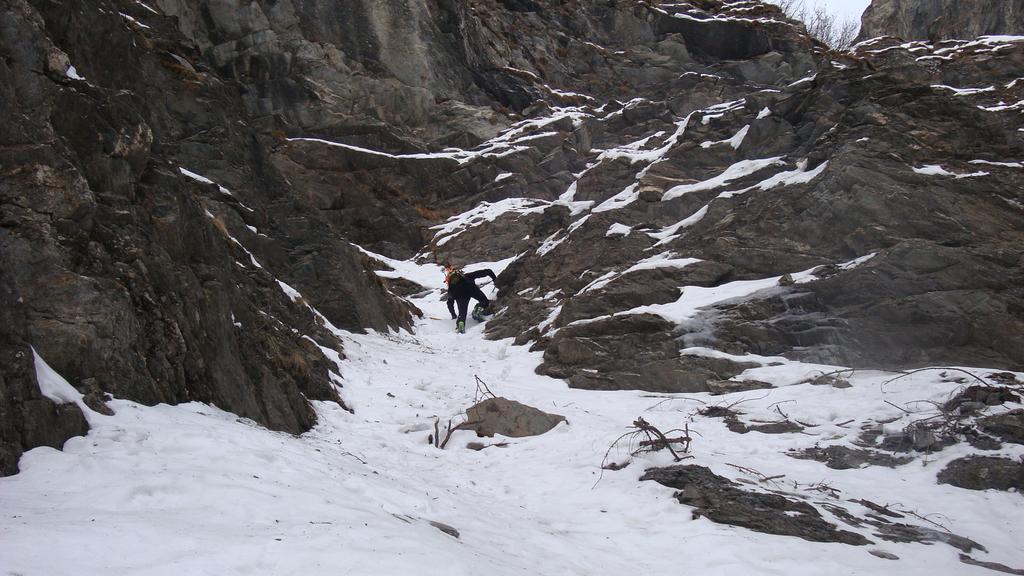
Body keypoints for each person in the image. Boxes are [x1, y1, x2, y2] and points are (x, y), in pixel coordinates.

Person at [443, 263, 497, 333]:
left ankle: (461, 324)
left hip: (459, 294)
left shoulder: (451, 288)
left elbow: (450, 303)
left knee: (462, 314)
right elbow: (486, 271)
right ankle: (478, 309)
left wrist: (453, 315)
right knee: (484, 301)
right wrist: (495, 279)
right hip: (471, 287)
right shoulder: (466, 276)